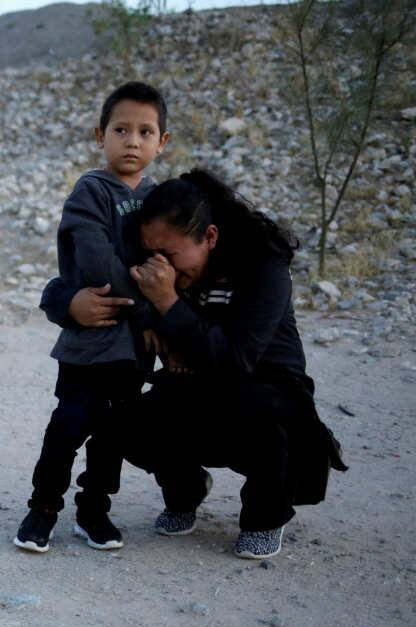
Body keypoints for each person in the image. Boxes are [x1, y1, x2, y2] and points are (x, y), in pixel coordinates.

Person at [109, 168, 346, 559]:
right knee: (128, 418)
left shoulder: (263, 266)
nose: (159, 268)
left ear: (211, 237)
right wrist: (153, 321)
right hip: (204, 387)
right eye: (152, 255)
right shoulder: (165, 271)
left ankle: (265, 516)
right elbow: (130, 301)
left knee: (258, 409)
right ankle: (185, 490)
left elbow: (237, 360)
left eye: (169, 255)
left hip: (270, 393)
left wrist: (168, 305)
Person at [13, 81, 171, 553]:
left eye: (146, 132)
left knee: (112, 435)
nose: (132, 141)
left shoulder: (161, 197)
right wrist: (150, 301)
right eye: (121, 129)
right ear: (100, 135)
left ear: (162, 143)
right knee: (69, 425)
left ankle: (94, 512)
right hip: (90, 339)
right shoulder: (91, 191)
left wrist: (161, 310)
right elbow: (98, 262)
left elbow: (170, 260)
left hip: (134, 348)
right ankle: (42, 510)